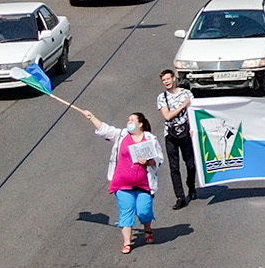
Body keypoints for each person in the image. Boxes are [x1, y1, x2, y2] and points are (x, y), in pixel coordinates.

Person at [81, 108, 162, 253]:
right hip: (123, 183)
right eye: (128, 120)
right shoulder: (122, 135)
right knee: (126, 210)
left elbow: (158, 160)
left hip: (144, 184)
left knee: (144, 210)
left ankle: (148, 229)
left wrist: (148, 162)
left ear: (141, 124)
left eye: (132, 120)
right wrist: (92, 117)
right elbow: (105, 130)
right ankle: (127, 242)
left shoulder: (150, 139)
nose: (128, 123)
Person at [156, 70, 198, 208]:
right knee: (174, 167)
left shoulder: (186, 94)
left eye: (168, 79)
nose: (166, 82)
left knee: (190, 164)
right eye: (164, 80)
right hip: (171, 134)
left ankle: (191, 185)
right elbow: (167, 116)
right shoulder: (162, 97)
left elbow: (194, 111)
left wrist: (193, 127)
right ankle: (180, 197)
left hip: (186, 133)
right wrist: (183, 105)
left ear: (174, 79)